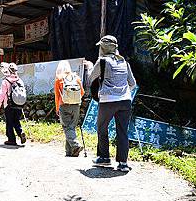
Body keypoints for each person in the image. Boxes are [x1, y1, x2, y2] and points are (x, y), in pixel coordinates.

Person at [88, 35, 137, 172]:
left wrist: (89, 68)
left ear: (103, 47)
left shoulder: (102, 61)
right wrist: (121, 90)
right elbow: (132, 84)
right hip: (125, 100)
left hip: (108, 101)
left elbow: (91, 78)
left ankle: (104, 157)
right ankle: (123, 163)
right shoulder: (124, 62)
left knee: (102, 128)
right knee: (122, 131)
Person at [54, 60, 85, 157]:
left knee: (67, 127)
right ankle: (70, 152)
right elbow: (82, 92)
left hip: (64, 105)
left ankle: (76, 145)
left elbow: (57, 96)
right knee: (71, 127)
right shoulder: (76, 78)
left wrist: (57, 108)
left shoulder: (59, 80)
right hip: (76, 106)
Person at [0, 62, 26, 146]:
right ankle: (21, 132)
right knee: (16, 120)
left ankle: (11, 140)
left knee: (9, 122)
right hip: (19, 104)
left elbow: (1, 94)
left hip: (9, 105)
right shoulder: (20, 80)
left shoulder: (5, 81)